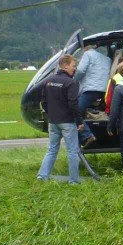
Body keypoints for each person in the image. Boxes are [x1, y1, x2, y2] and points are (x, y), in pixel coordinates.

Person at [35, 54, 85, 185]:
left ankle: (42, 176)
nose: (75, 68)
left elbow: (43, 101)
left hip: (53, 121)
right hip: (67, 122)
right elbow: (73, 103)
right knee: (72, 152)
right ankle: (74, 181)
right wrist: (79, 121)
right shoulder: (71, 83)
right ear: (65, 66)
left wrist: (51, 114)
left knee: (52, 149)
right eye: (73, 65)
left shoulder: (48, 81)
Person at [73, 44, 112, 145]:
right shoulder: (107, 59)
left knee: (74, 111)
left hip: (90, 89)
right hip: (103, 90)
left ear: (85, 48)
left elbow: (80, 71)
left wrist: (73, 81)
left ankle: (87, 136)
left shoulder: (87, 54)